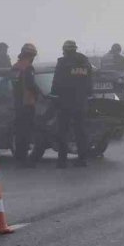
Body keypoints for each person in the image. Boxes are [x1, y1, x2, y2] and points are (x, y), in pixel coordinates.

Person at [51, 40, 93, 168]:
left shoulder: (63, 63)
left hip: (66, 102)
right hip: (81, 102)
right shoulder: (85, 63)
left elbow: (56, 83)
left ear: (65, 50)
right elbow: (90, 83)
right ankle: (83, 159)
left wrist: (54, 95)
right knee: (80, 131)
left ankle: (62, 160)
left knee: (62, 131)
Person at [11, 43, 41, 166]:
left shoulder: (15, 67)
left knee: (19, 132)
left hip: (17, 104)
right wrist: (38, 94)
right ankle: (24, 160)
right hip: (27, 103)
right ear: (31, 55)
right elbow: (31, 85)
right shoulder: (28, 67)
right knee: (27, 132)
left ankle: (19, 157)